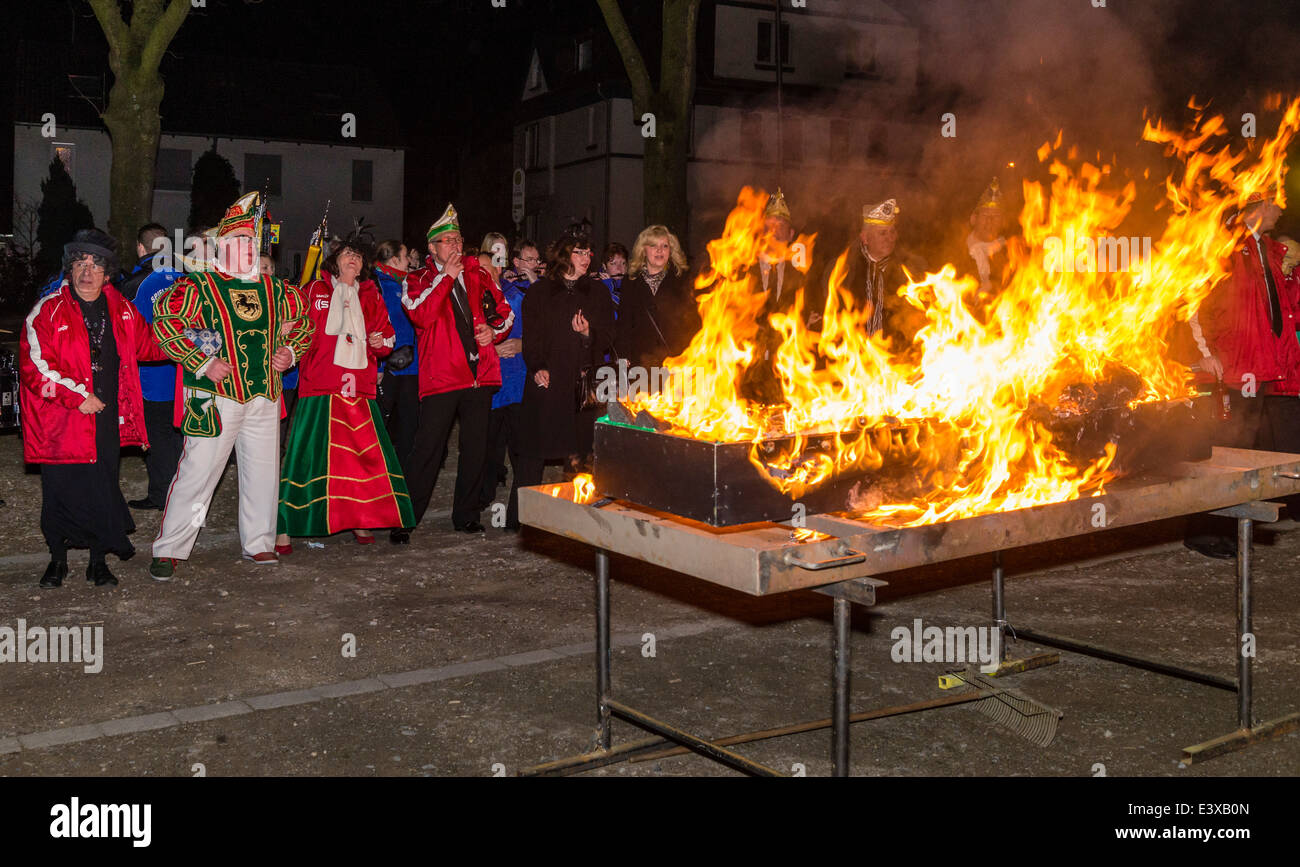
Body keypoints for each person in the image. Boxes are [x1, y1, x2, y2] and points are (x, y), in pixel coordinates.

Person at [149, 192, 315, 579]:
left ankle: (259, 543)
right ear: (220, 247)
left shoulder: (279, 290)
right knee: (198, 473)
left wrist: (290, 353)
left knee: (263, 473)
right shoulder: (199, 287)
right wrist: (203, 362)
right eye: (237, 242)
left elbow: (305, 324)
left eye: (250, 242)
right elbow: (164, 324)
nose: (245, 249)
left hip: (265, 395)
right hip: (213, 398)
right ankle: (171, 546)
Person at [19, 229, 167, 587]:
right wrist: (76, 396)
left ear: (108, 271)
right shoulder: (49, 309)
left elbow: (152, 346)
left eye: (96, 264)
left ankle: (98, 561)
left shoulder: (123, 309)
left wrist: (200, 339)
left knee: (102, 487)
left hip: (106, 417)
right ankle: (57, 560)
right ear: (69, 269)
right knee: (60, 492)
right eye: (80, 263)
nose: (87, 271)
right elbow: (33, 365)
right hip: (61, 419)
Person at [1185, 188, 1300, 559]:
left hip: (1256, 368)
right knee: (1222, 452)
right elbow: (1190, 299)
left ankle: (1231, 528)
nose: (1282, 210)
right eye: (1277, 202)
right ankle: (1204, 530)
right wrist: (1203, 354)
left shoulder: (1264, 248)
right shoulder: (1223, 245)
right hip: (1228, 371)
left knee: (1245, 452)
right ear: (1261, 205)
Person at [275, 238, 412, 550]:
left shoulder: (370, 294)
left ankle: (359, 518)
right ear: (334, 260)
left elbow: (388, 339)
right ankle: (286, 524)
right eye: (348, 253)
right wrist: (286, 328)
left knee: (359, 461)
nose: (354, 259)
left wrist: (380, 343)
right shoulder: (314, 290)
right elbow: (297, 331)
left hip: (358, 389)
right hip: (321, 386)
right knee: (307, 460)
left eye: (360, 256)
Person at [401, 204, 515, 539]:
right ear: (432, 248)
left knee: (475, 449)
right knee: (428, 450)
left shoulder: (478, 274)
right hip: (442, 377)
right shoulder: (417, 279)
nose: (453, 245)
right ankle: (406, 517)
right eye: (446, 240)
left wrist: (493, 332)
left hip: (479, 375)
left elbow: (503, 311)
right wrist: (446, 276)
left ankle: (466, 514)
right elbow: (421, 315)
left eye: (457, 239)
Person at [509, 235, 615, 528]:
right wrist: (537, 366)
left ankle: (577, 517)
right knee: (533, 449)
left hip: (581, 381)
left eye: (589, 251)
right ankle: (520, 517)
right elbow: (532, 339)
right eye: (579, 251)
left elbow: (606, 338)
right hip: (549, 378)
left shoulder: (597, 292)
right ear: (564, 255)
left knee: (580, 451)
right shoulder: (540, 292)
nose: (586, 257)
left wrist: (587, 335)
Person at [128, 227, 187, 511]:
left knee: (158, 437)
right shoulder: (188, 277)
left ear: (141, 248)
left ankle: (162, 494)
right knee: (182, 435)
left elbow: (127, 334)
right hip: (188, 372)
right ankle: (184, 491)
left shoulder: (135, 284)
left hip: (152, 375)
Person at [479, 241, 533, 516]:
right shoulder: (468, 299)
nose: (485, 273)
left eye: (489, 268)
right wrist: (489, 349)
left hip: (517, 381)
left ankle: (518, 511)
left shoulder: (518, 295)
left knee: (521, 450)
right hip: (486, 384)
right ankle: (482, 498)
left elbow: (540, 331)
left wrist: (523, 344)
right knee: (487, 448)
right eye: (478, 269)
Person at [839, 198, 928, 352]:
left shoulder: (910, 270)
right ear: (865, 237)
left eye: (892, 232)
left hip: (900, 357)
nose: (890, 238)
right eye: (883, 233)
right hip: (856, 357)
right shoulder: (845, 272)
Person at [616, 226, 698, 372]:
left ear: (671, 250)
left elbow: (692, 321)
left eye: (665, 246)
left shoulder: (683, 280)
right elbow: (624, 324)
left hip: (675, 363)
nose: (660, 250)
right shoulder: (631, 282)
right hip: (640, 364)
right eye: (654, 245)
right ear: (643, 250)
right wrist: (623, 357)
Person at [373, 239, 421, 482]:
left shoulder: (403, 282)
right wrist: (378, 364)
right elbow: (376, 325)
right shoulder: (378, 284)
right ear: (393, 261)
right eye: (405, 258)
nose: (409, 262)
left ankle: (400, 476)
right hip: (389, 366)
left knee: (409, 425)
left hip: (411, 366)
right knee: (381, 423)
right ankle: (376, 474)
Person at [597, 242, 629, 312]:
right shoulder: (595, 284)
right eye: (613, 264)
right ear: (604, 266)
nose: (619, 268)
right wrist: (607, 289)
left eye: (623, 263)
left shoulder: (632, 285)